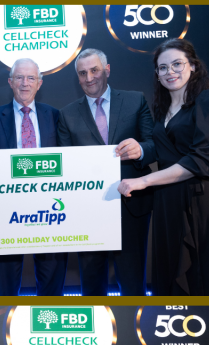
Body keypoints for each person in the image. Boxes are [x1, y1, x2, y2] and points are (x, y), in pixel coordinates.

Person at [118, 38, 209, 296]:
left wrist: (143, 181)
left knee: (207, 279)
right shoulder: (162, 110)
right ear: (157, 74)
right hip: (167, 204)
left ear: (193, 66)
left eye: (177, 64)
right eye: (163, 67)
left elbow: (201, 160)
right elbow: (163, 150)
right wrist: (140, 148)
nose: (170, 72)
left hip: (199, 201)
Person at [57, 48, 156, 296]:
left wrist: (140, 150)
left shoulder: (135, 100)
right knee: (91, 286)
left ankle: (134, 321)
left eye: (95, 70)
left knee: (133, 283)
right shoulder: (67, 114)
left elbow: (155, 145)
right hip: (88, 211)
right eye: (82, 73)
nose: (89, 78)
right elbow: (64, 165)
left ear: (107, 70)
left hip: (131, 205)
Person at [0, 58, 64, 297]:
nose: (24, 83)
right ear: (10, 82)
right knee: (6, 282)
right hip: (8, 210)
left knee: (51, 279)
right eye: (19, 77)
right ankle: (5, 316)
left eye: (30, 78)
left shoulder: (55, 116)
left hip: (50, 210)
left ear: (39, 83)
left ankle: (49, 316)